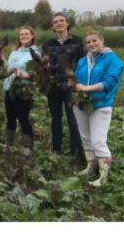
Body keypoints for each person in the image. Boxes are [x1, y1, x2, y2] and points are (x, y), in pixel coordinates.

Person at [72, 31, 124, 186]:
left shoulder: (112, 60)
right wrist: (74, 85)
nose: (91, 44)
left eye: (94, 41)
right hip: (81, 105)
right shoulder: (82, 61)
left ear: (102, 41)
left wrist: (87, 88)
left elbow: (110, 82)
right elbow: (76, 78)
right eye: (88, 42)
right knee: (86, 138)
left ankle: (103, 175)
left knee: (98, 140)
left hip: (101, 104)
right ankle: (90, 166)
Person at [42, 12, 85, 155]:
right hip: (53, 86)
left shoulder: (79, 42)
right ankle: (56, 148)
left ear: (67, 23)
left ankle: (76, 149)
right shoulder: (48, 44)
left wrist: (76, 81)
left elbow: (84, 64)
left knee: (73, 119)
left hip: (71, 87)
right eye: (56, 21)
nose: (59, 23)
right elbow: (44, 62)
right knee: (55, 118)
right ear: (53, 26)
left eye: (62, 20)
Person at [1, 26, 40, 152]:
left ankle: (28, 146)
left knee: (23, 117)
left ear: (32, 36)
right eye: (21, 34)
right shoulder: (15, 52)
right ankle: (8, 143)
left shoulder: (35, 53)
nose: (23, 36)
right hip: (9, 88)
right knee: (10, 117)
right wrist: (1, 58)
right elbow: (9, 67)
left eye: (26, 34)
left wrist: (25, 75)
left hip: (23, 89)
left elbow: (38, 72)